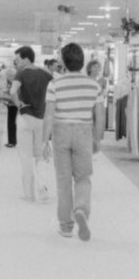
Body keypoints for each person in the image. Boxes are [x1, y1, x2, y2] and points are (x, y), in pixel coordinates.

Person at [41, 43, 105, 241]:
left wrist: (45, 142)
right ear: (82, 61)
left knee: (63, 180)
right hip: (84, 132)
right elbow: (100, 117)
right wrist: (97, 138)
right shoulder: (94, 85)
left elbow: (49, 115)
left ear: (63, 62)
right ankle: (82, 209)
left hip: (61, 131)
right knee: (83, 177)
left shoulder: (54, 84)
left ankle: (66, 226)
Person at [7, 46, 53, 203]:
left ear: (26, 59)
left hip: (25, 118)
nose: (17, 63)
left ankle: (28, 194)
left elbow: (12, 92)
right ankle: (42, 189)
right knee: (40, 156)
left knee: (26, 157)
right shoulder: (46, 74)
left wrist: (18, 104)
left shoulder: (21, 73)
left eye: (18, 60)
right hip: (41, 119)